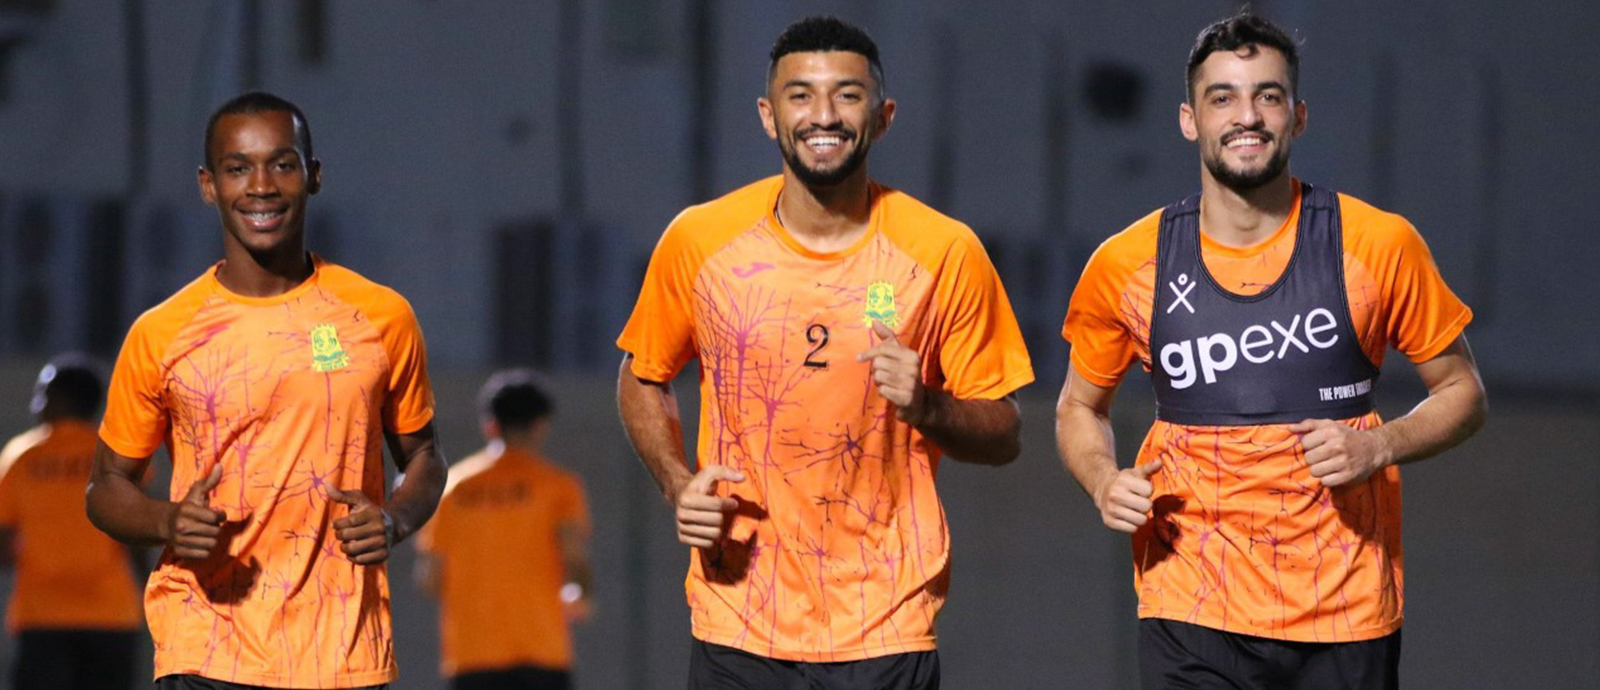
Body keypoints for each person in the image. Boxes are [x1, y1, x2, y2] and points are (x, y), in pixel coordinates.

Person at [1056, 13, 1487, 690]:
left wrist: (1379, 446)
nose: (1247, 116)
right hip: (1189, 602)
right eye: (1222, 97)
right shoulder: (1127, 263)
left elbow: (1463, 392)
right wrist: (1103, 481)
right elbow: (1078, 407)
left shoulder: (1377, 244)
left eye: (1268, 95)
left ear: (1298, 116)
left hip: (1344, 607)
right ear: (1189, 120)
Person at [616, 15, 1034, 690]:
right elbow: (642, 374)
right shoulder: (700, 240)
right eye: (801, 95)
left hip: (885, 622)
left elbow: (1005, 432)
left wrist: (928, 406)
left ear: (883, 116)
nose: (824, 115)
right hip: (737, 614)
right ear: (768, 115)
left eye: (847, 94)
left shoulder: (944, 250)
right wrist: (675, 481)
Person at [85, 91, 447, 690]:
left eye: (282, 164)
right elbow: (105, 486)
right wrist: (166, 521)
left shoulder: (381, 316)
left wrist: (396, 519)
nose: (261, 186)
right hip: (205, 648)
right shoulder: (162, 332)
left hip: (343, 655)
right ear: (208, 185)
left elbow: (425, 456)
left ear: (314, 176)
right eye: (237, 168)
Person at [415, 369, 592, 690]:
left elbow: (430, 579)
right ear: (540, 425)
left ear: (490, 425)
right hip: (542, 652)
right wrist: (580, 593)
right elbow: (575, 560)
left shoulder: (452, 489)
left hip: (472, 655)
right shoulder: (557, 487)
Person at [0, 356, 142, 690]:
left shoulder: (21, 456)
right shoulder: (117, 454)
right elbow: (137, 531)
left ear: (62, 399)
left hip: (42, 615)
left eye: (44, 395)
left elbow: (4, 545)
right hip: (111, 613)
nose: (37, 404)